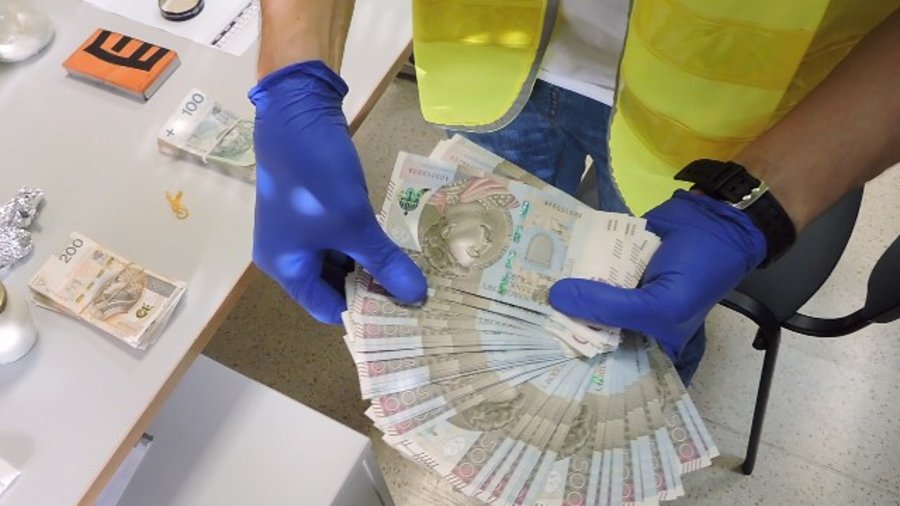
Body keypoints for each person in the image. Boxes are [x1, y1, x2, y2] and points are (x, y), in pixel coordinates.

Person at [250, 1, 900, 385]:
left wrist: (759, 201)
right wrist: (293, 75)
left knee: (640, 325)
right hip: (487, 53)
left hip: (712, 113)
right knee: (477, 289)